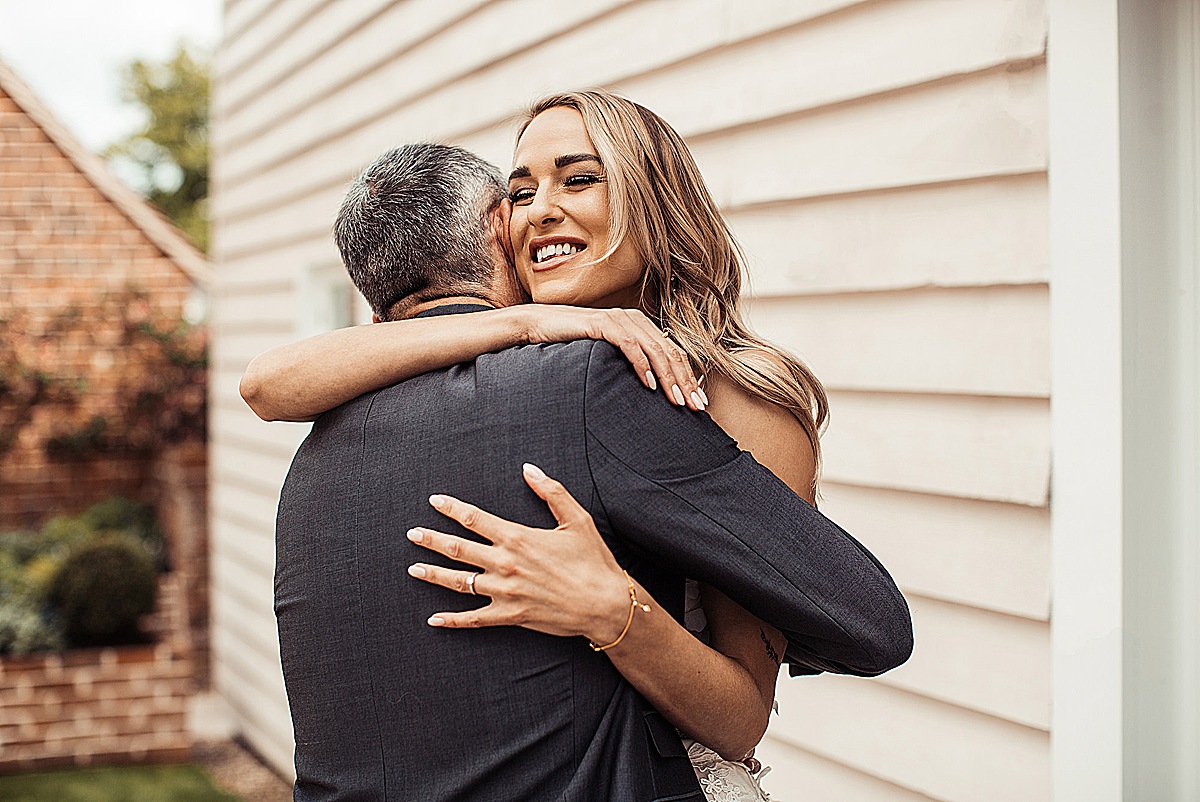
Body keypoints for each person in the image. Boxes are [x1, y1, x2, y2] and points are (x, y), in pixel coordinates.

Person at [262, 100, 911, 802]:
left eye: (578, 180)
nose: (539, 209)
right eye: (520, 192)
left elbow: (742, 719)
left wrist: (611, 608)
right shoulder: (533, 365)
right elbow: (268, 384)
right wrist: (523, 324)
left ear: (651, 200)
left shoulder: (736, 400)